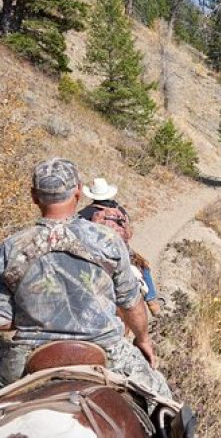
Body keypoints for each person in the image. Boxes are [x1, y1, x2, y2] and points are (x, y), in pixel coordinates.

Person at [0, 158, 171, 399]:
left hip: (29, 355)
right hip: (105, 351)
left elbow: (3, 318)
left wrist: (37, 312)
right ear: (78, 191)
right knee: (163, 401)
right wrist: (142, 339)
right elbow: (131, 304)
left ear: (34, 196)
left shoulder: (11, 247)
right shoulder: (107, 240)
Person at [79, 177, 162, 315]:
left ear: (93, 196)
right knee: (143, 267)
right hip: (121, 251)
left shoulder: (85, 213)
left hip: (94, 254)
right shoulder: (120, 210)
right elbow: (128, 232)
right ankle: (152, 302)